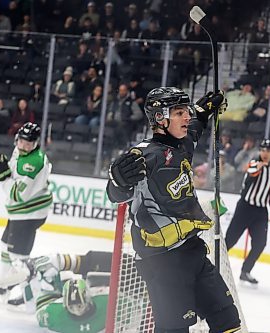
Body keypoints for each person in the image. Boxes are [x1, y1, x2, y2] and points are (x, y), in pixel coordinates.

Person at [106, 87, 241, 333]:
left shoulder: (181, 145)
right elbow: (118, 196)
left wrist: (204, 109)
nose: (186, 117)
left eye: (186, 111)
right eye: (179, 112)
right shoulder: (142, 156)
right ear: (160, 118)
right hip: (161, 262)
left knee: (228, 321)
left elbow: (196, 126)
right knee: (174, 329)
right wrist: (117, 182)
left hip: (193, 253)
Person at [0, 122, 53, 304]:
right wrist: (0, 162)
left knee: (20, 259)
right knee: (5, 246)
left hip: (29, 214)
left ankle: (30, 297)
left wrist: (1, 174)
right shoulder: (21, 151)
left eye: (29, 144)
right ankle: (2, 287)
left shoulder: (33, 162)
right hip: (20, 213)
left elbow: (17, 195)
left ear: (35, 143)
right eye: (21, 142)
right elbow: (13, 172)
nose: (24, 146)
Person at [225, 139, 270, 285]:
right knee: (230, 239)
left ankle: (245, 271)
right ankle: (213, 265)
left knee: (260, 243)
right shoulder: (255, 163)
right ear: (259, 151)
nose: (265, 153)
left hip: (260, 211)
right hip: (245, 207)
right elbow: (251, 172)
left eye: (268, 150)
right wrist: (260, 166)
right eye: (263, 150)